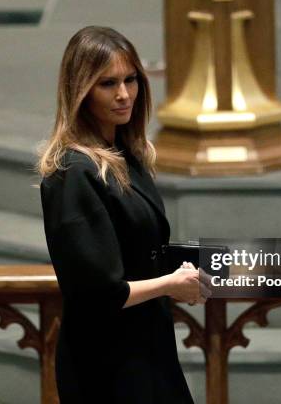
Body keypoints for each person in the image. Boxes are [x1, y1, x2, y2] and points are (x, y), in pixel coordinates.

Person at [37, 26, 210, 403]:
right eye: (107, 83)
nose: (123, 94)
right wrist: (169, 285)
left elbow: (141, 249)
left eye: (130, 80)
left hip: (147, 346)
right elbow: (99, 294)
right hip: (108, 363)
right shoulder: (73, 172)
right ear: (80, 91)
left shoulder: (126, 155)